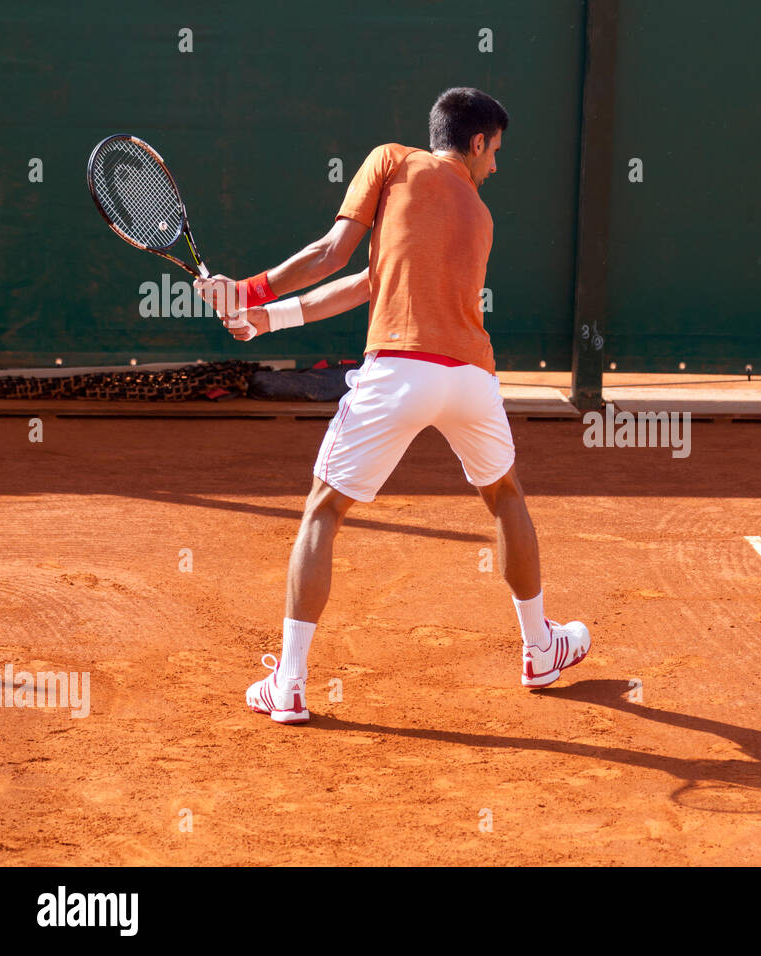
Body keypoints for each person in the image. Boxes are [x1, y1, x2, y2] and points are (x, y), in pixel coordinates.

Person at [193, 87, 589, 725]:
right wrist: (261, 322)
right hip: (471, 381)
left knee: (325, 511)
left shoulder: (392, 161)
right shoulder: (480, 218)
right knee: (506, 496)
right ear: (478, 141)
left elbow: (333, 256)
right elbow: (370, 283)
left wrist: (247, 292)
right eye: (497, 152)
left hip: (398, 373)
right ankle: (540, 649)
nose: (497, 166)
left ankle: (289, 685)